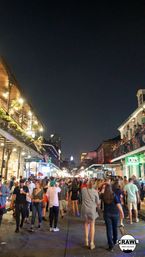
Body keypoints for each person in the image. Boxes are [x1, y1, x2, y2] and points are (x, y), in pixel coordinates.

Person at [101, 184, 124, 252]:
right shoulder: (114, 195)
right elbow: (118, 204)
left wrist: (103, 188)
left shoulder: (103, 196)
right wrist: (121, 213)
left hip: (107, 214)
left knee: (109, 230)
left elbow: (100, 194)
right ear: (111, 189)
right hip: (115, 214)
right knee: (115, 228)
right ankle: (114, 241)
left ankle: (111, 246)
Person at [81, 180, 100, 250]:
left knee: (86, 224)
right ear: (94, 184)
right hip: (92, 210)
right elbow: (98, 202)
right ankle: (91, 243)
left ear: (87, 184)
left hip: (85, 209)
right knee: (92, 225)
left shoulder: (83, 190)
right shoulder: (95, 191)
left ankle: (86, 241)